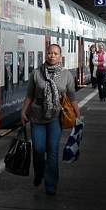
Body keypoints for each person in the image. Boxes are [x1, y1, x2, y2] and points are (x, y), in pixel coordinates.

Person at [21, 44, 81, 196]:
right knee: (38, 149)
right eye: (49, 53)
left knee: (53, 151)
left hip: (55, 116)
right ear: (45, 55)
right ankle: (39, 172)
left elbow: (72, 96)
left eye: (55, 53)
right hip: (37, 114)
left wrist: (77, 114)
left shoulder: (66, 75)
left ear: (60, 56)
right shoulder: (36, 73)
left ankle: (51, 184)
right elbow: (30, 94)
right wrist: (23, 111)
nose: (52, 56)